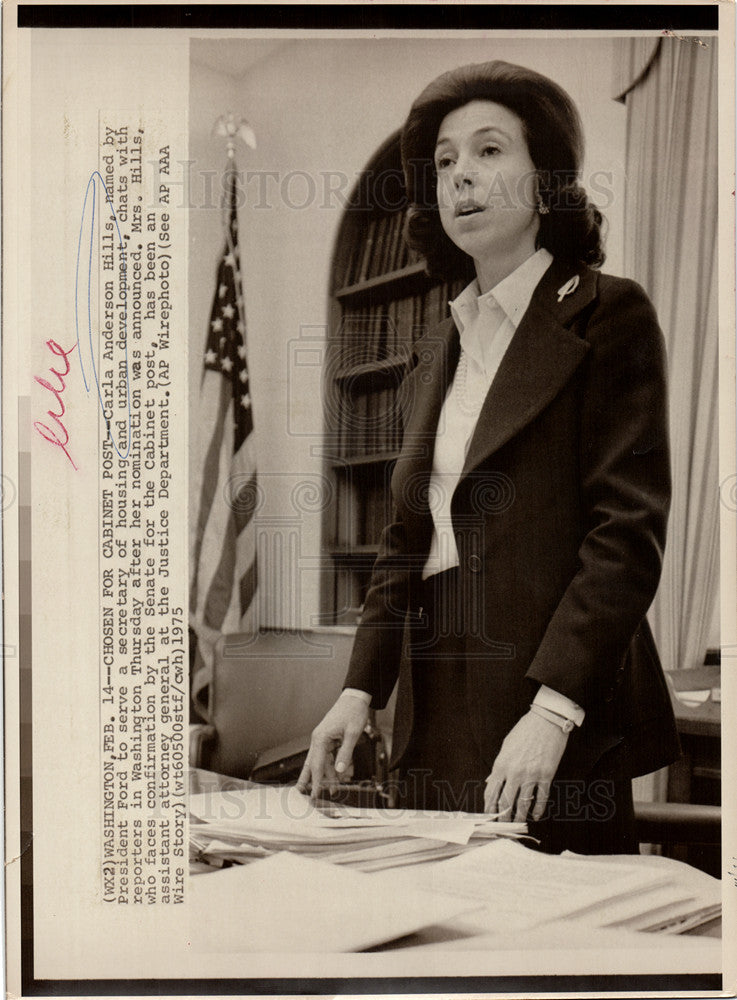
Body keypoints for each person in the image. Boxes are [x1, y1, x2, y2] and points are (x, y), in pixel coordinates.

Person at [297, 60, 680, 854]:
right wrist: (359, 688)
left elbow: (624, 536)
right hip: (432, 691)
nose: (460, 176)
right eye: (444, 161)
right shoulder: (432, 346)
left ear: (545, 181)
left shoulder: (609, 313)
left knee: (554, 947)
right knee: (433, 927)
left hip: (551, 699)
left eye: (488, 151)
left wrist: (552, 711)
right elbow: (404, 542)